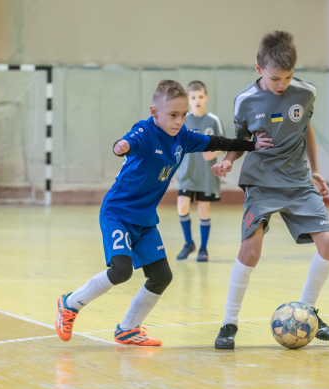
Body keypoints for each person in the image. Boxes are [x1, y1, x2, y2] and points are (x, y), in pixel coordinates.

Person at [55, 80, 272, 346]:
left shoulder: (183, 137)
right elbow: (128, 141)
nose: (179, 121)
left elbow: (216, 141)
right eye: (173, 115)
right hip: (118, 214)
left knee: (161, 276)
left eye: (183, 115)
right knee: (121, 270)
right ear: (154, 112)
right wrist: (120, 146)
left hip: (145, 219)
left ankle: (128, 329)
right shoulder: (144, 131)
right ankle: (70, 304)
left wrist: (252, 146)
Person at [211, 31, 329, 349]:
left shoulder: (306, 93)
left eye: (288, 77)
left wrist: (316, 170)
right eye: (274, 78)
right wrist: (228, 160)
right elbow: (241, 140)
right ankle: (229, 322)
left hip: (298, 182)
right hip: (261, 182)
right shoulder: (245, 100)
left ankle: (307, 310)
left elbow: (306, 128)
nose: (281, 84)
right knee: (250, 251)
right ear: (259, 69)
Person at [175, 80, 225, 262]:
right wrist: (171, 170)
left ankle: (203, 248)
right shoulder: (182, 120)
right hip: (186, 172)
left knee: (204, 209)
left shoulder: (213, 120)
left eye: (200, 97)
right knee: (182, 206)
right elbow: (174, 146)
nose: (197, 100)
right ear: (188, 99)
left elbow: (224, 145)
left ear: (206, 98)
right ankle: (189, 243)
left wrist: (215, 153)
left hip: (206, 174)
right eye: (193, 97)